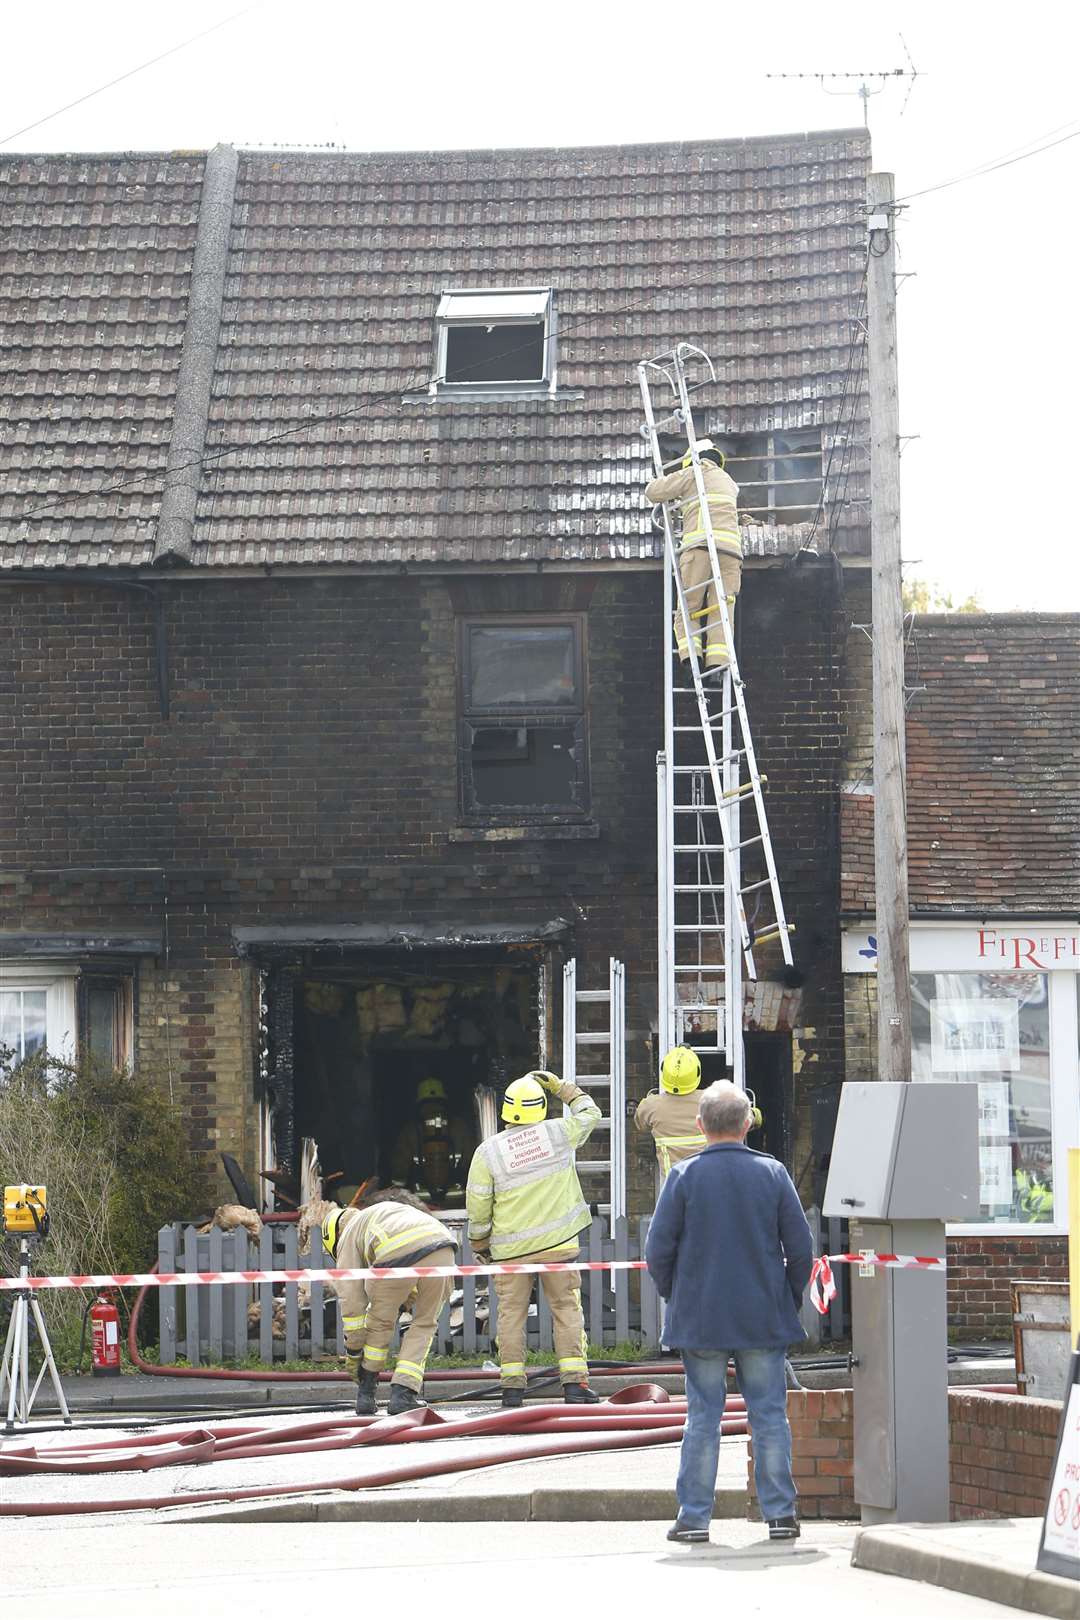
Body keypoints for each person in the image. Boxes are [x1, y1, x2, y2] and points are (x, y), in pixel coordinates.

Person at [645, 1080, 814, 1545]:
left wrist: (675, 1295)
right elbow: (801, 1250)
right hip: (762, 1315)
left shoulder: (683, 1177)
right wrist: (787, 1297)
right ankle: (780, 1514)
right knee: (769, 1414)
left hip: (700, 1319)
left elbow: (657, 1251)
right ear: (746, 1124)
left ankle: (694, 1518)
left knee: (703, 1416)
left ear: (700, 1126)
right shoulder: (774, 1173)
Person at [466, 1069, 602, 1408]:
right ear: (541, 1106)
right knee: (566, 1310)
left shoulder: (488, 1152)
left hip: (511, 1252)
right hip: (558, 1246)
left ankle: (512, 1389)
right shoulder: (558, 1133)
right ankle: (574, 1385)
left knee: (510, 1316)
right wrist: (561, 1087)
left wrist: (480, 1243)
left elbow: (478, 1203)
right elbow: (591, 1113)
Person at [321, 1197, 457, 1416]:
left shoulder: (347, 1235)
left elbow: (352, 1304)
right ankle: (403, 1395)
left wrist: (354, 1353)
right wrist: (402, 1304)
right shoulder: (382, 1213)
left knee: (380, 1322)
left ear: (333, 1238)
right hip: (443, 1247)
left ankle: (366, 1393)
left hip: (396, 1254)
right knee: (424, 1324)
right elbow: (413, 1276)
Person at [645, 439, 742, 674]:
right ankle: (718, 667)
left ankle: (692, 662)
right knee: (721, 610)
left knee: (689, 607)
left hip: (700, 548)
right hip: (731, 554)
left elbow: (653, 492)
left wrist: (675, 494)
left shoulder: (693, 473)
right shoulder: (729, 482)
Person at [391, 1076, 471, 1204]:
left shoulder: (411, 1130)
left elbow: (400, 1168)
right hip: (456, 1196)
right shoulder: (460, 1127)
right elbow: (471, 1161)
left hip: (420, 1199)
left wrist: (395, 1194)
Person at [634, 1045, 707, 1181]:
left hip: (672, 1189)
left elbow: (640, 1125)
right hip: (706, 1185)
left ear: (663, 1071)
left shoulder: (650, 1106)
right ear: (697, 1072)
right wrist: (756, 1115)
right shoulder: (712, 1101)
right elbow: (742, 1118)